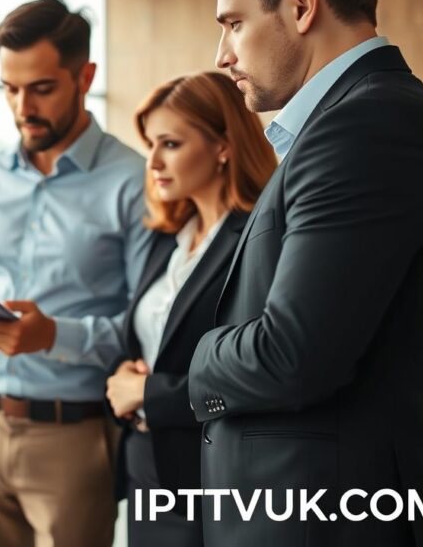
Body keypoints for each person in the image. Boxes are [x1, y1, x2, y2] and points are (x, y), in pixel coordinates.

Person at [187, 0, 423, 545]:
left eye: (234, 23)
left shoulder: (365, 126)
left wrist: (200, 356)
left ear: (302, 4)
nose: (222, 55)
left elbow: (292, 355)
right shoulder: (355, 119)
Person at [0, 0, 151, 546]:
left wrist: (53, 335)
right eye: (10, 88)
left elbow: (148, 326)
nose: (23, 106)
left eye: (42, 88)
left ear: (84, 77)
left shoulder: (134, 182)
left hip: (72, 435)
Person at [105, 71, 277, 546]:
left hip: (211, 472)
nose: (153, 161)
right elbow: (153, 337)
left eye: (171, 144)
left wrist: (149, 393)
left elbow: (257, 373)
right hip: (147, 460)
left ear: (224, 145)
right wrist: (127, 374)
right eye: (150, 145)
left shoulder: (257, 241)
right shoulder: (168, 240)